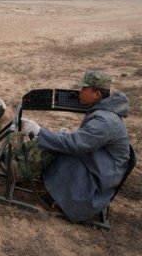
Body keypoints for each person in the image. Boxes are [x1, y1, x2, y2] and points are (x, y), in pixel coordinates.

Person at [16, 70, 131, 222]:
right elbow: (82, 140)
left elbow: (75, 144)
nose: (80, 92)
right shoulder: (105, 113)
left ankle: (19, 170)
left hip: (96, 183)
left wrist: (40, 131)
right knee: (57, 140)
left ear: (97, 94)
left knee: (55, 146)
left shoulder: (105, 121)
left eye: (84, 89)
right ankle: (20, 160)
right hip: (100, 167)